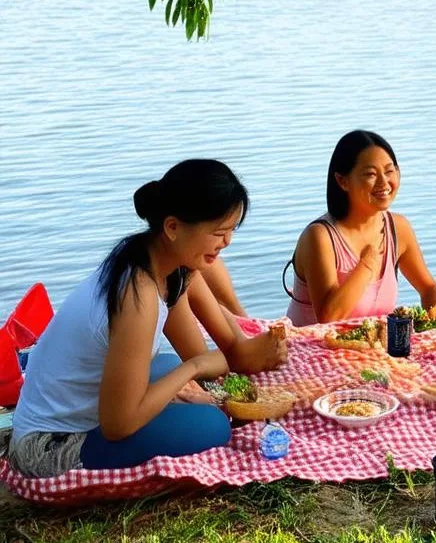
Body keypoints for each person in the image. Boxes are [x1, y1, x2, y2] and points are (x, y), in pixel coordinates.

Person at [9, 160, 253, 478]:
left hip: (81, 409)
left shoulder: (158, 265)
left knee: (166, 367)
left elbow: (206, 355)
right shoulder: (137, 295)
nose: (227, 243)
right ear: (173, 228)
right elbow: (118, 425)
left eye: (231, 231)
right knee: (212, 427)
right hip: (48, 446)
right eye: (219, 232)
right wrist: (193, 369)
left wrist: (213, 385)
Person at [283, 130, 436, 324]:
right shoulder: (319, 236)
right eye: (371, 174)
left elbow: (429, 289)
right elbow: (329, 316)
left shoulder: (399, 228)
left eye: (389, 171)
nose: (384, 183)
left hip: (368, 351)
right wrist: (366, 265)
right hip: (307, 350)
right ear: (342, 181)